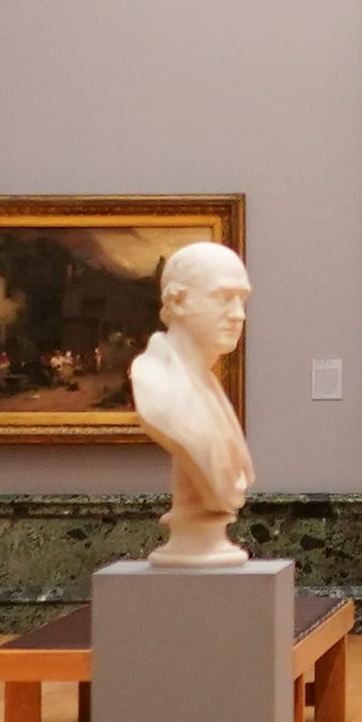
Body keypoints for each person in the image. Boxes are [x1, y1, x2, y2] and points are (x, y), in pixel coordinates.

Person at [128, 241, 255, 562]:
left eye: (243, 300)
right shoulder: (156, 384)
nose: (238, 315)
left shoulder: (209, 387)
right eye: (225, 298)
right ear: (179, 301)